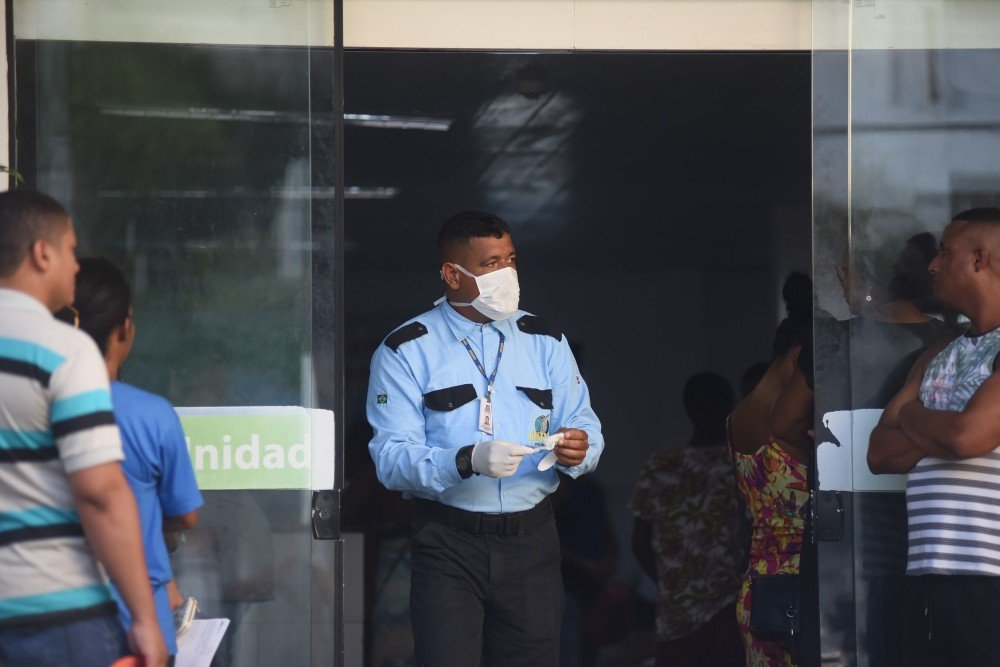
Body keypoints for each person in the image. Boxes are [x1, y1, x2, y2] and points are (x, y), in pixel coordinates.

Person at [366, 210, 604, 666]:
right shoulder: (406, 349)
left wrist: (580, 448)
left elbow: (585, 424)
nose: (507, 273)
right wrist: (465, 460)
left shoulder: (546, 340)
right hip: (448, 542)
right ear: (453, 275)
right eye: (491, 264)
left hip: (532, 538)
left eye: (511, 259)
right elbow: (391, 459)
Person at [0, 190, 167, 666]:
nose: (76, 266)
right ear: (42, 253)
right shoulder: (64, 351)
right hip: (55, 616)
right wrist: (144, 618)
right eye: (71, 250)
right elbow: (101, 493)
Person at [868, 208, 1000, 666]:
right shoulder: (937, 353)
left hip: (989, 579)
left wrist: (910, 413)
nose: (932, 264)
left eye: (945, 252)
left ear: (980, 258)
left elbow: (965, 438)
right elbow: (879, 454)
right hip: (927, 578)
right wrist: (943, 424)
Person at [70, 256, 204, 661]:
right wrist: (142, 519)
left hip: (54, 616)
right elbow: (185, 515)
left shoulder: (31, 407)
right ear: (124, 329)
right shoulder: (151, 415)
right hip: (138, 620)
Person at [629, 372, 746, 666]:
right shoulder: (740, 464)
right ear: (731, 407)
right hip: (729, 608)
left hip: (677, 613)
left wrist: (672, 586)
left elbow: (639, 543)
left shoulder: (662, 465)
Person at [727, 272, 813, 667]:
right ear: (798, 358)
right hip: (797, 589)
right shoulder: (790, 424)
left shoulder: (736, 417)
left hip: (756, 588)